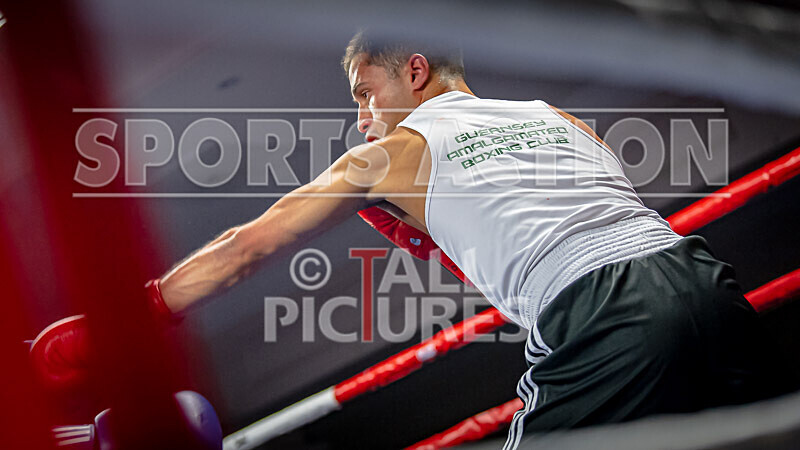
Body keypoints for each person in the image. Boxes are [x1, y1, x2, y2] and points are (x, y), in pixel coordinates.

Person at [35, 31, 775, 449]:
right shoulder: (555, 115)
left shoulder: (389, 153)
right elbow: (582, 215)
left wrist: (125, 321)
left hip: (602, 318)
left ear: (413, 72)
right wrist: (442, 225)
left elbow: (245, 248)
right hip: (702, 276)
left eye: (365, 93)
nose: (362, 117)